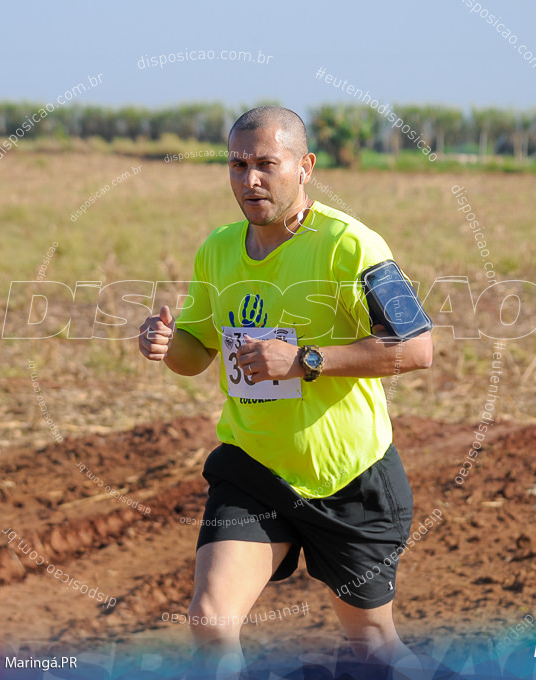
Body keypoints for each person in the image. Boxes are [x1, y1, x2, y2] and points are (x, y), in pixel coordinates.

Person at [137, 106, 433, 677]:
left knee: (372, 645)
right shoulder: (218, 249)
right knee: (210, 620)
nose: (249, 180)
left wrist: (305, 360)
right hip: (254, 467)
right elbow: (195, 354)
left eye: (266, 164)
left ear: (305, 167)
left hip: (350, 476)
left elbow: (417, 348)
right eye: (237, 164)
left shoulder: (353, 244)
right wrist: (165, 343)